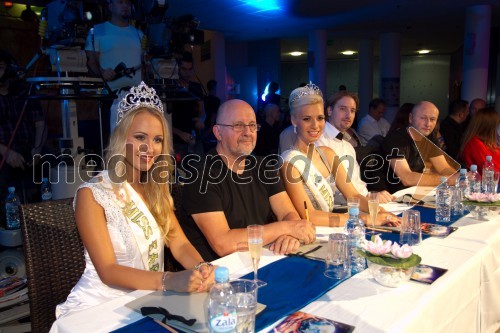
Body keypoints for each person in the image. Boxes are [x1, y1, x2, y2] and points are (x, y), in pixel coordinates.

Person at [55, 82, 215, 318]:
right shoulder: (92, 194)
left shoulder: (156, 189)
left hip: (148, 298)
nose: (150, 148)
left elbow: (179, 244)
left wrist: (202, 268)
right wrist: (169, 280)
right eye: (140, 137)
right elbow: (108, 271)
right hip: (100, 306)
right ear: (121, 137)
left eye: (158, 139)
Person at [180, 99, 316, 262]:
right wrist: (288, 228)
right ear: (218, 133)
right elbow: (224, 244)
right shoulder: (201, 176)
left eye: (252, 125)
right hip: (220, 275)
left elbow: (287, 212)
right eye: (238, 125)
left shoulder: (264, 167)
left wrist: (291, 235)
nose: (248, 132)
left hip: (263, 260)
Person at [280, 83, 398, 227]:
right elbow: (311, 216)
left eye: (319, 118)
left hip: (337, 227)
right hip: (314, 233)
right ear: (294, 121)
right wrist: (365, 219)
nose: (315, 125)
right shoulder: (289, 163)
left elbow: (353, 195)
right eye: (307, 119)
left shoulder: (328, 154)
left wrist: (380, 211)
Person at [85, 0, 144, 139]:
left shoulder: (139, 34)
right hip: (111, 97)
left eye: (128, 3)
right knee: (113, 144)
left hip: (136, 97)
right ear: (110, 6)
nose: (125, 6)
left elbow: (144, 64)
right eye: (121, 2)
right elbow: (91, 62)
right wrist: (103, 72)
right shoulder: (97, 31)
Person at [371, 101, 459, 193]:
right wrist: (447, 180)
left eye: (432, 119)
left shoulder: (430, 137)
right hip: (385, 195)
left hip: (412, 193)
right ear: (410, 118)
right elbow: (406, 178)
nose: (428, 124)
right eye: (423, 118)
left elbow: (443, 168)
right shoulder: (395, 139)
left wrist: (461, 178)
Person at [0, 51, 46, 225]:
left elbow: (40, 123)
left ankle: (44, 221)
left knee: (53, 164)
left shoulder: (25, 90)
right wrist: (7, 152)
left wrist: (37, 149)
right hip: (3, 151)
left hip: (29, 148)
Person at [170, 52, 205, 157]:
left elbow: (203, 112)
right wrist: (180, 133)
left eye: (190, 69)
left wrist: (201, 120)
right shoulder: (170, 88)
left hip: (194, 139)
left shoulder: (196, 87)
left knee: (200, 169)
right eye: (184, 69)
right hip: (176, 141)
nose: (187, 73)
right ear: (178, 69)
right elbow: (163, 120)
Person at [460, 107, 500, 174]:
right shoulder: (475, 143)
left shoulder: (487, 142)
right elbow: (491, 172)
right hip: (485, 182)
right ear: (490, 127)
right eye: (497, 125)